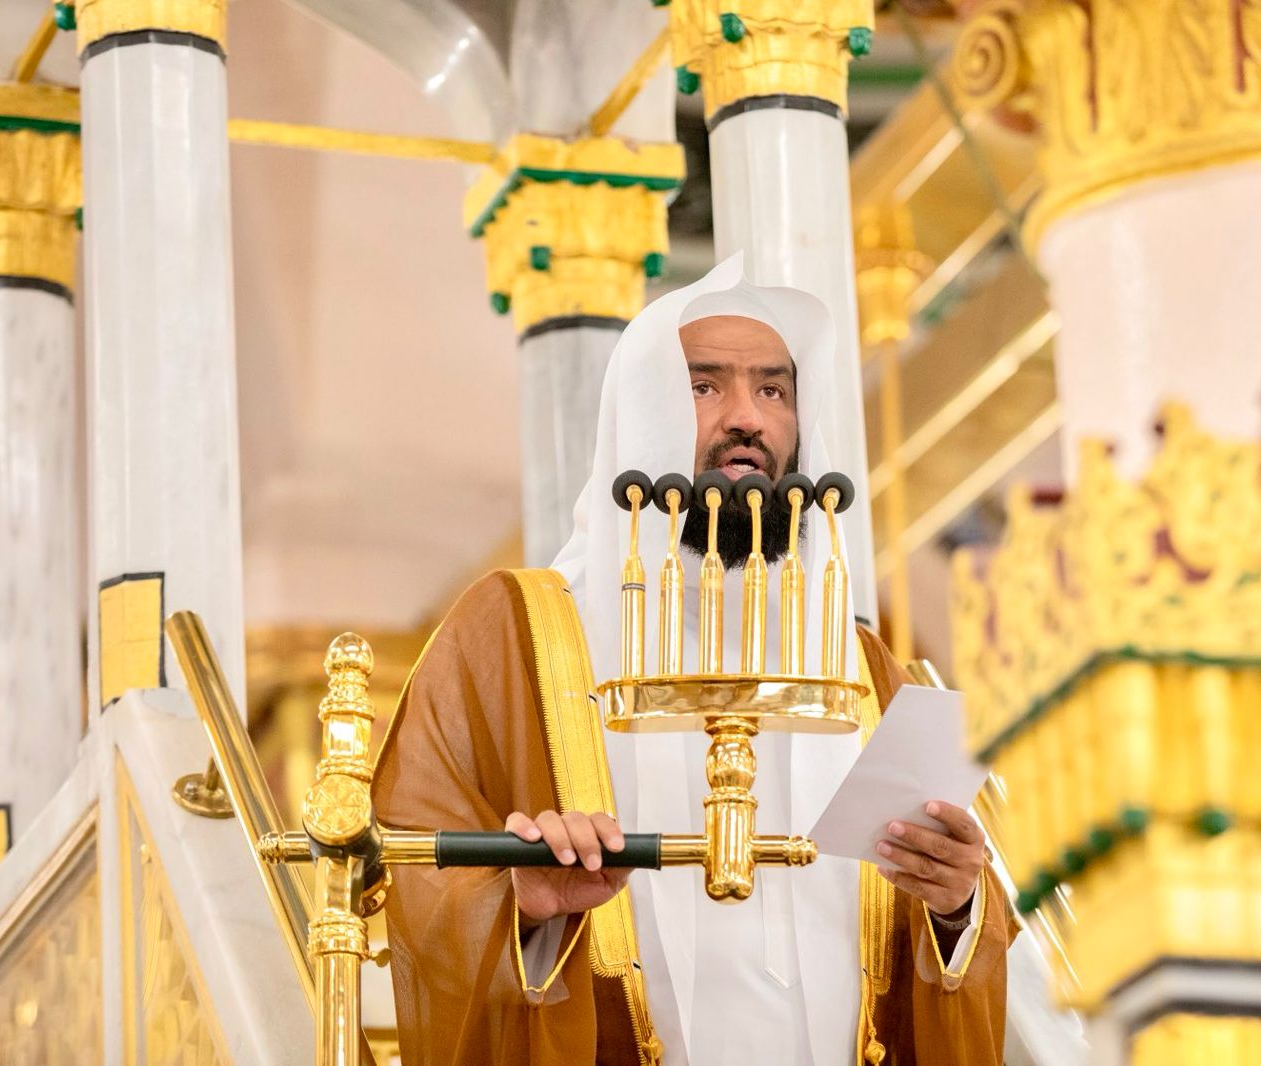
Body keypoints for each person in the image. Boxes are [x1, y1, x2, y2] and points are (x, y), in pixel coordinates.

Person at [373, 255, 1012, 1065]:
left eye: (773, 390)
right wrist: (522, 906)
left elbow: (951, 930)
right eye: (705, 385)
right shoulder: (512, 635)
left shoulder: (864, 670)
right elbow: (409, 872)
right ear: (641, 414)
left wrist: (956, 905)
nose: (747, 417)